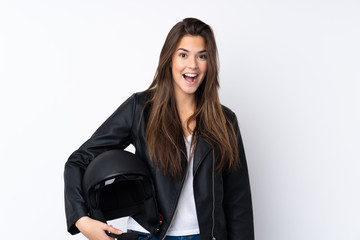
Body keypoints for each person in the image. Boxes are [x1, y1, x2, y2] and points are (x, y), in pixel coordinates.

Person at [64, 17, 254, 240]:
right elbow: (78, 160)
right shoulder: (140, 109)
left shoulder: (225, 121)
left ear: (209, 63)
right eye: (183, 55)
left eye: (201, 56)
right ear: (169, 60)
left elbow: (238, 202)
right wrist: (81, 219)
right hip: (150, 235)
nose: (192, 65)